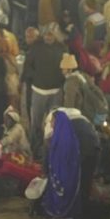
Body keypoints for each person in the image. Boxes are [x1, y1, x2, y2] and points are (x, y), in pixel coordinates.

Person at [42, 109, 99, 219]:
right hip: (91, 151)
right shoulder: (75, 122)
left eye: (53, 122)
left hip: (80, 159)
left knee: (76, 189)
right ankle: (81, 216)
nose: (51, 124)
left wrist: (46, 169)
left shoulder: (64, 131)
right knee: (83, 186)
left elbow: (53, 151)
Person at [22, 23, 68, 153]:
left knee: (53, 123)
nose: (48, 37)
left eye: (51, 34)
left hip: (56, 92)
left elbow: (67, 66)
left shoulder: (62, 48)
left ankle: (51, 150)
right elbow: (28, 66)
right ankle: (34, 148)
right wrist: (37, 76)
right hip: (39, 91)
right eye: (47, 34)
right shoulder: (36, 48)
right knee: (36, 123)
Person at [61, 53, 108, 126]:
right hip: (94, 111)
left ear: (69, 69)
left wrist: (67, 119)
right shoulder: (82, 75)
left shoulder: (70, 83)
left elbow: (69, 105)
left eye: (63, 68)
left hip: (83, 114)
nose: (61, 70)